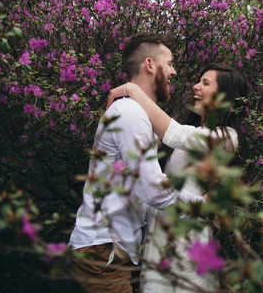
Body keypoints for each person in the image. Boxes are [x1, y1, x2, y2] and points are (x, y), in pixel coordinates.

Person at [68, 33, 206, 293]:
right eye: (171, 62)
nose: (174, 71)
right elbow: (152, 188)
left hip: (113, 248)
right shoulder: (130, 114)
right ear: (151, 65)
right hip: (102, 249)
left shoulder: (137, 113)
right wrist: (204, 205)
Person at [106, 63, 249, 293]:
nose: (195, 87)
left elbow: (174, 134)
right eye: (198, 81)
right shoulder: (191, 134)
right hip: (158, 235)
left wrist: (133, 90)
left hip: (189, 242)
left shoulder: (226, 137)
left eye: (205, 83)